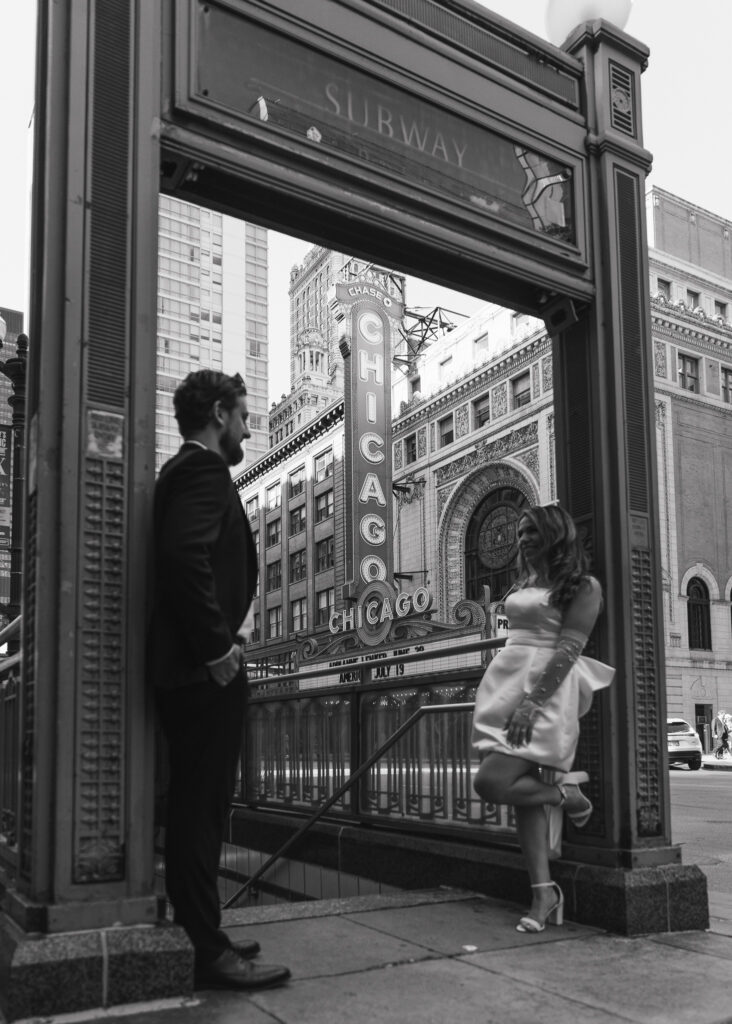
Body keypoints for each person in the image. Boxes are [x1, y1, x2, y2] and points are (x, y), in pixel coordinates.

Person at [148, 369, 290, 991]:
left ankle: (203, 932)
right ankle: (207, 950)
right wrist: (216, 649)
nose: (247, 428)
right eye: (241, 415)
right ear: (216, 414)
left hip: (192, 668)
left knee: (198, 807)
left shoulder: (189, 472)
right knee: (200, 810)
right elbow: (186, 557)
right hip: (202, 671)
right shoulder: (203, 471)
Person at [471, 504, 615, 934]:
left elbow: (569, 650)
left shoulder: (583, 586)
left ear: (556, 534)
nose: (523, 539)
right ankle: (543, 892)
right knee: (520, 799)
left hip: (542, 693)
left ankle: (565, 795)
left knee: (492, 781)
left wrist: (532, 703)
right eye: (519, 532)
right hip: (505, 685)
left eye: (532, 530)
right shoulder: (525, 581)